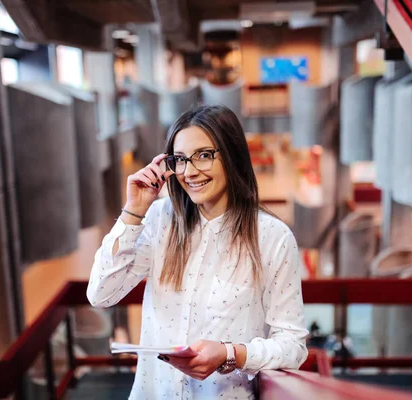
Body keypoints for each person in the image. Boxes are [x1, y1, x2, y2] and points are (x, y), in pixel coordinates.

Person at [87, 105, 308, 399]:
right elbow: (101, 294)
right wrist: (132, 212)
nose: (189, 172)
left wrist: (230, 354)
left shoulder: (272, 237)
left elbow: (293, 347)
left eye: (204, 155)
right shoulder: (158, 219)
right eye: (180, 160)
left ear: (231, 156)